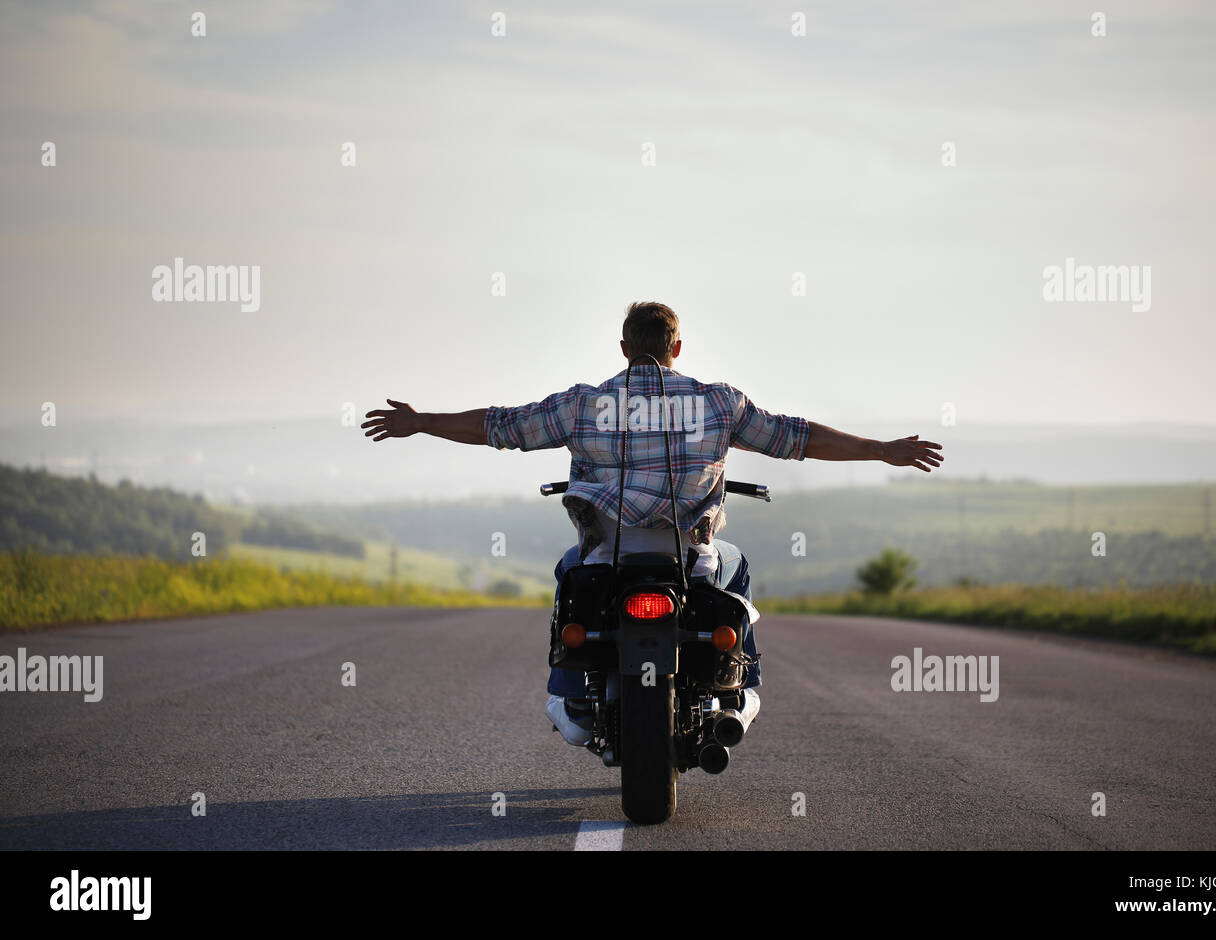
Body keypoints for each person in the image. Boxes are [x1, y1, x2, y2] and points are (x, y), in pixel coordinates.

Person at [362, 302, 944, 746]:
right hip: (692, 553)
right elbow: (798, 438)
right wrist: (882, 449)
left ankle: (570, 695)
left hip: (606, 551)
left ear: (623, 348)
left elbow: (499, 426)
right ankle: (739, 692)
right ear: (678, 348)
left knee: (569, 580)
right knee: (736, 573)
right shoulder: (719, 403)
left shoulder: (582, 405)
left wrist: (422, 421)